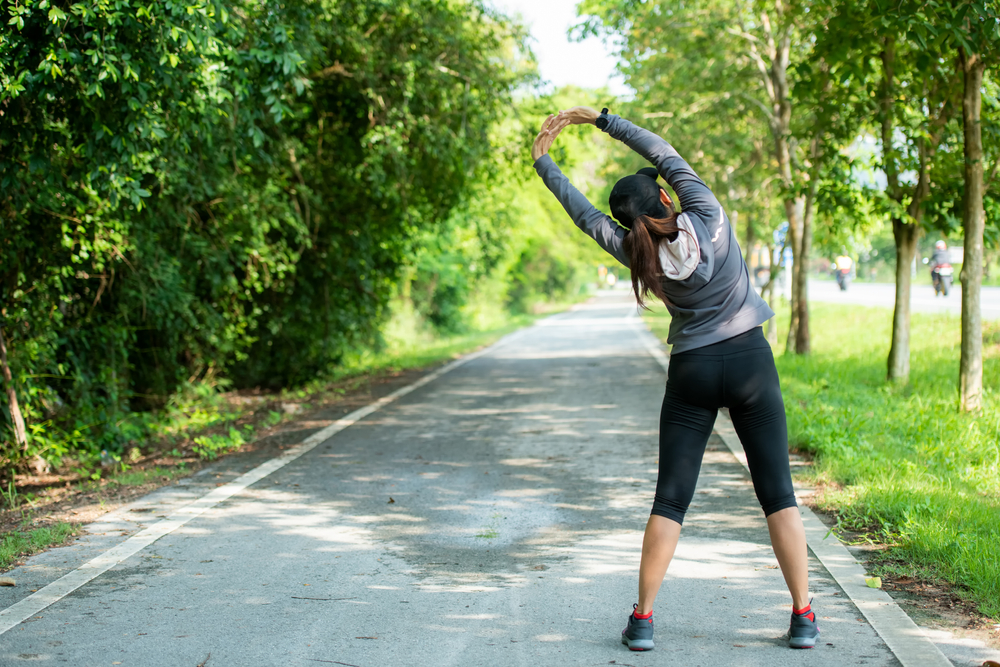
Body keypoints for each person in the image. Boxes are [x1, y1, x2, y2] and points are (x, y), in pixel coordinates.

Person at [530, 107, 818, 651]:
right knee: (777, 494)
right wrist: (602, 120)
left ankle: (643, 619)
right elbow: (661, 151)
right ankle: (802, 614)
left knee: (671, 499)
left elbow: (585, 215)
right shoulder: (706, 213)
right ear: (664, 198)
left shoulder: (636, 253)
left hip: (693, 372)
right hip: (750, 363)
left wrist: (544, 163)